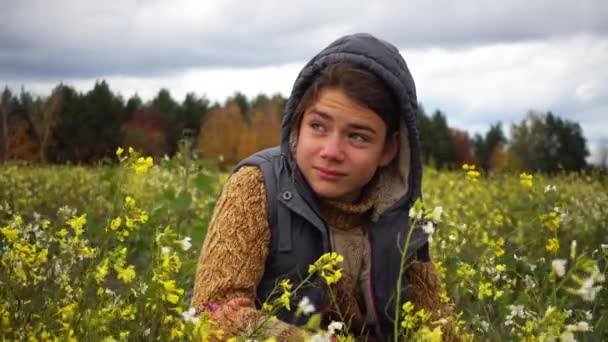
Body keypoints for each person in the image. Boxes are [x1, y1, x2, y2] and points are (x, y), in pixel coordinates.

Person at [192, 33, 452, 340]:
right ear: (298, 123)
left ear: (388, 150)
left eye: (358, 136)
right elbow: (211, 314)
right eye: (318, 126)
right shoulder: (257, 186)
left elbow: (436, 327)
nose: (330, 151)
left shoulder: (401, 213)